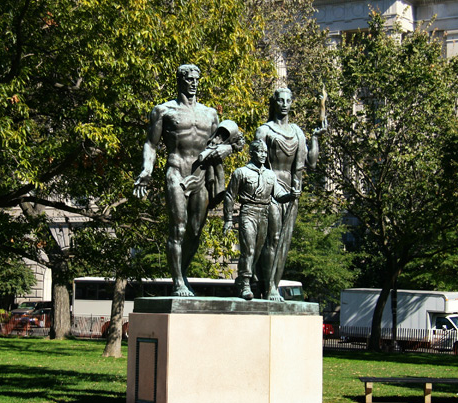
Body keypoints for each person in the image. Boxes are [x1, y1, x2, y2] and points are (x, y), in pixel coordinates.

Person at [133, 64, 243, 297]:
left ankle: (181, 274)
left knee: (195, 230)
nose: (194, 83)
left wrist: (227, 150)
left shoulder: (210, 114)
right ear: (180, 80)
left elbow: (231, 142)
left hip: (201, 175)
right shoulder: (163, 111)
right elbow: (151, 144)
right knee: (179, 228)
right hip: (176, 171)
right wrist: (146, 169)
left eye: (196, 79)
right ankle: (178, 283)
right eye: (189, 79)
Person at [254, 88, 325, 295]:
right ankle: (268, 287)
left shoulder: (297, 132)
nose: (284, 104)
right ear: (274, 103)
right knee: (273, 238)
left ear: (291, 103)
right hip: (269, 188)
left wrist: (316, 138)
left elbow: (310, 162)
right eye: (281, 100)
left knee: (284, 241)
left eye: (288, 101)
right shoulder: (264, 131)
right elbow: (257, 162)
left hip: (291, 191)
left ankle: (272, 286)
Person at [224, 140, 299, 301]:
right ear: (252, 152)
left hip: (263, 214)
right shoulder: (241, 172)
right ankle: (245, 284)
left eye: (265, 152)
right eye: (260, 152)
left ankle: (246, 279)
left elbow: (278, 195)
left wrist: (291, 195)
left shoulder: (270, 175)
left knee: (257, 252)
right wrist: (228, 219)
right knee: (249, 250)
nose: (263, 155)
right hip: (248, 212)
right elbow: (230, 195)